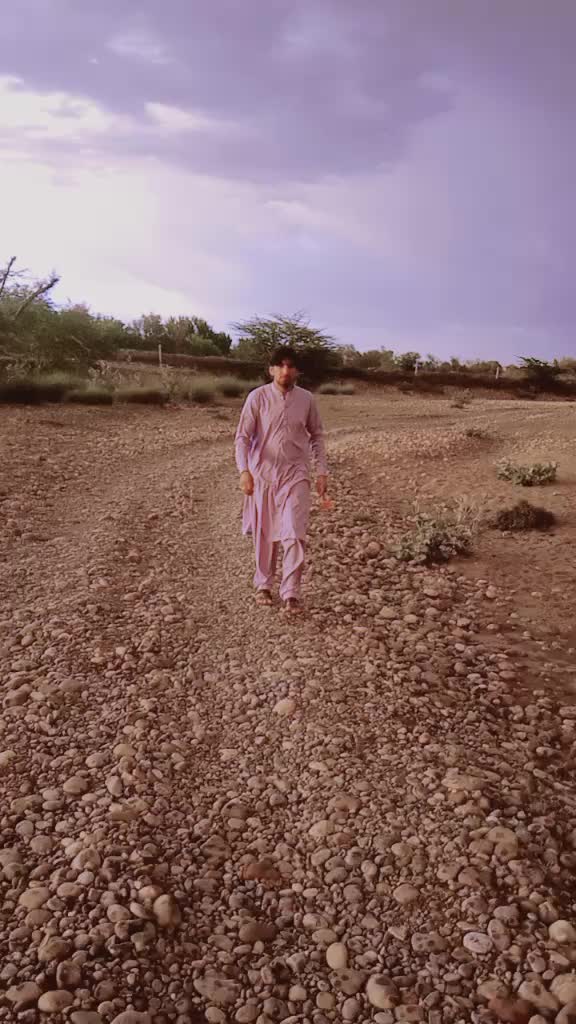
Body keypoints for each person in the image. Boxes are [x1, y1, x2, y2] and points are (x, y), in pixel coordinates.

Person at [234, 346, 328, 615]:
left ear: (298, 371)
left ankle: (291, 592)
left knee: (294, 532)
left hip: (296, 474)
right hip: (263, 474)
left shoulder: (306, 399)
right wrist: (244, 471)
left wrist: (322, 471)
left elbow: (317, 435)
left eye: (291, 366)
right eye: (281, 365)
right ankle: (263, 584)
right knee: (265, 534)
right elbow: (242, 437)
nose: (286, 371)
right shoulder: (257, 397)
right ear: (272, 369)